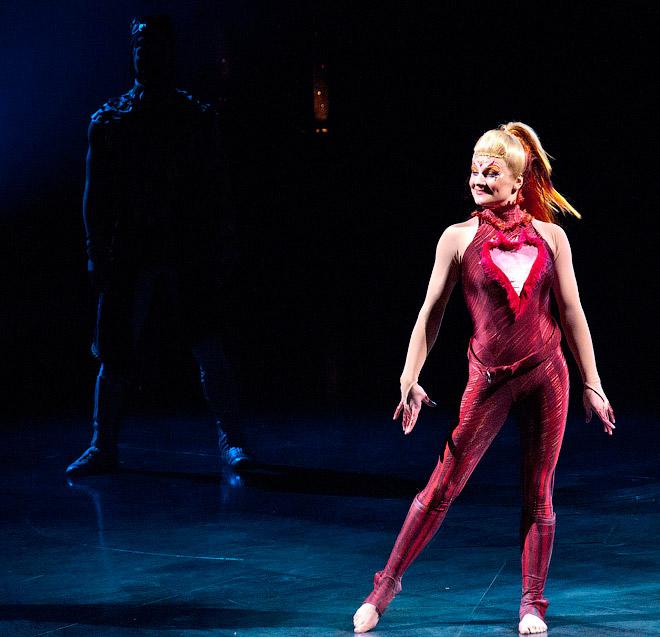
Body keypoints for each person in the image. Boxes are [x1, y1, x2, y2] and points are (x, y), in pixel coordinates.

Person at [352, 122, 616, 634]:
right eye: (474, 170)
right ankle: (384, 587)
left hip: (546, 374)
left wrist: (593, 382)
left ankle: (532, 603)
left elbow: (572, 311)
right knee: (443, 483)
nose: (479, 179)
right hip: (489, 378)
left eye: (491, 172)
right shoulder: (458, 238)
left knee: (539, 491)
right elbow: (431, 311)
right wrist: (409, 375)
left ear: (518, 181)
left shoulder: (552, 238)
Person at [66, 15, 250, 477]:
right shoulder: (110, 120)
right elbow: (95, 195)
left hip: (186, 243)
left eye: (155, 48)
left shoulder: (194, 118)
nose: (147, 56)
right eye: (141, 47)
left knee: (207, 343)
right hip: (131, 245)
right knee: (115, 350)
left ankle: (231, 440)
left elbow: (217, 187)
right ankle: (103, 443)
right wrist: (94, 251)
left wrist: (223, 240)